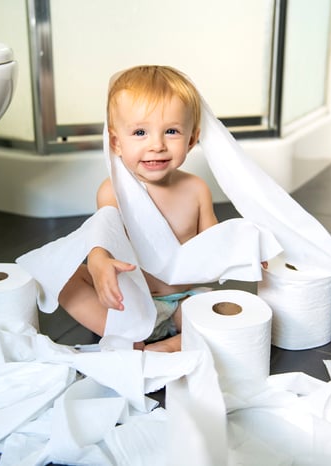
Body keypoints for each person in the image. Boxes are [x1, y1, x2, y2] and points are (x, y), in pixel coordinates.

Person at [58, 65, 217, 352]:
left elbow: (218, 243)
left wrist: (246, 249)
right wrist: (98, 263)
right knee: (63, 279)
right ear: (116, 143)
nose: (156, 145)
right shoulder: (112, 191)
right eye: (140, 132)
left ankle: (170, 345)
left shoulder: (196, 190)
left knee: (214, 313)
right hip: (131, 301)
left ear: (191, 140)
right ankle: (132, 337)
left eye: (171, 131)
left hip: (184, 299)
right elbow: (101, 239)